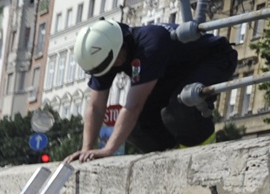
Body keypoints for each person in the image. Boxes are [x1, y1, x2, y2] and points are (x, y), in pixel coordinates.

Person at [70, 19, 237, 161]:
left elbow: (133, 105)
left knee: (180, 108)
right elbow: (96, 106)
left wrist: (108, 150)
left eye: (111, 64)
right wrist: (87, 149)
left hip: (213, 59)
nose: (110, 69)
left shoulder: (149, 44)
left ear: (119, 47)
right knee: (136, 127)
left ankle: (205, 157)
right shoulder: (104, 56)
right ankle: (170, 158)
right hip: (169, 74)